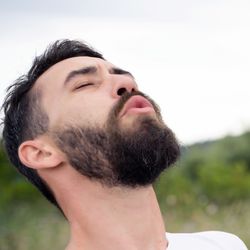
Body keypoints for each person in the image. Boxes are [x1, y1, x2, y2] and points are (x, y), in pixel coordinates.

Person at [2, 39, 248, 250]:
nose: (127, 85)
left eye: (124, 77)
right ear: (41, 152)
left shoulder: (223, 245)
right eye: (85, 84)